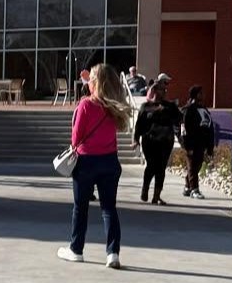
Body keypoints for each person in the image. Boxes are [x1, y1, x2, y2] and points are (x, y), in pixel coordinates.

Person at [58, 63, 135, 269]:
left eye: (91, 81)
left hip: (86, 162)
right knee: (109, 208)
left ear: (95, 84)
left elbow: (76, 139)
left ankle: (76, 249)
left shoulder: (85, 105)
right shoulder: (113, 106)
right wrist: (89, 79)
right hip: (109, 161)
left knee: (80, 208)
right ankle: (113, 253)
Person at [134, 77, 180, 205]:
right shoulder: (146, 107)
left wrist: (179, 135)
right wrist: (136, 139)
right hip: (150, 141)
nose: (164, 92)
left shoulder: (170, 106)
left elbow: (178, 120)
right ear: (153, 90)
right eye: (160, 89)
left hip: (166, 141)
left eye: (164, 90)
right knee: (151, 166)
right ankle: (145, 188)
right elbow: (139, 124)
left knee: (161, 168)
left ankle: (156, 196)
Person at [179, 85, 216, 200]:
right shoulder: (188, 109)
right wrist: (186, 144)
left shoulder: (204, 109)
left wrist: (210, 147)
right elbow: (183, 128)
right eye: (200, 93)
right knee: (192, 166)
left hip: (202, 144)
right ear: (195, 95)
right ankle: (194, 190)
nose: (203, 95)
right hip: (191, 144)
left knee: (197, 166)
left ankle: (187, 186)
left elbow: (210, 128)